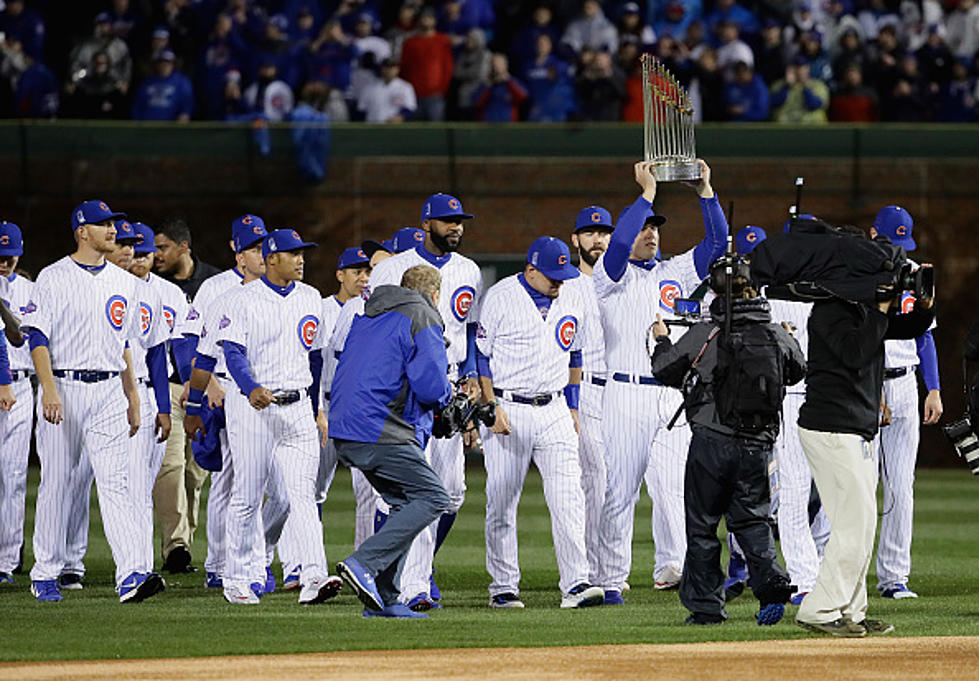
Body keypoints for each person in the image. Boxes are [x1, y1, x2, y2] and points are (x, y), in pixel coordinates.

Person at [593, 160, 727, 604]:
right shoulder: (609, 277)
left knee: (676, 485)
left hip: (671, 397)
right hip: (625, 393)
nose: (650, 233)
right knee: (620, 490)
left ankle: (681, 567)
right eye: (643, 227)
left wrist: (706, 191)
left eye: (656, 228)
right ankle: (610, 579)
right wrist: (646, 194)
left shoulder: (675, 272)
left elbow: (716, 244)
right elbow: (616, 248)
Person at [795, 226, 936, 637]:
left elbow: (905, 330)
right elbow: (858, 352)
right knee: (855, 525)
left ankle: (851, 611)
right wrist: (881, 308)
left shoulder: (857, 307)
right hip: (831, 427)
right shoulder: (830, 309)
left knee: (859, 524)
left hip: (851, 428)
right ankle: (819, 610)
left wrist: (924, 303)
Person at [650, 252, 804, 626]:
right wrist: (786, 337)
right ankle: (771, 586)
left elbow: (665, 370)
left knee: (703, 525)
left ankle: (706, 609)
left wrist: (661, 340)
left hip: (711, 441)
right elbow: (798, 371)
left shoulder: (708, 331)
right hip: (759, 443)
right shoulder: (775, 331)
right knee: (753, 521)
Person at [22, 200, 163, 603]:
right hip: (63, 387)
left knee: (115, 482)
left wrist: (133, 395)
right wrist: (47, 387)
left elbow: (124, 345)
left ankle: (131, 574)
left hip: (107, 392)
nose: (112, 230)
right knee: (58, 483)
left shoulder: (126, 283)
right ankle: (45, 571)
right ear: (82, 231)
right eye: (103, 225)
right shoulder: (52, 277)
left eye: (112, 224)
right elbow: (37, 337)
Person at [211, 228, 341, 606]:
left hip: (298, 406)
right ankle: (236, 577)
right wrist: (250, 386)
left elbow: (315, 358)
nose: (301, 259)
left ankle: (314, 575)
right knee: (248, 494)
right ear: (271, 259)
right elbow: (233, 352)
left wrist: (316, 407)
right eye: (292, 253)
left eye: (302, 253)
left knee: (302, 496)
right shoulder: (240, 299)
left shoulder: (310, 296)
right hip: (255, 408)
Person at [476, 236, 604, 610]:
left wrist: (574, 406)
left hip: (555, 408)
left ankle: (576, 583)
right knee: (501, 500)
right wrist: (490, 404)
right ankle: (503, 587)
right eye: (552, 275)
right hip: (509, 407)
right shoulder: (500, 296)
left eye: (563, 274)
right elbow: (482, 356)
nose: (558, 282)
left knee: (569, 499)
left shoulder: (572, 295)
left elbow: (575, 353)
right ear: (530, 270)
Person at [366, 197, 482, 611]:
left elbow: (468, 332)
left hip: (448, 384)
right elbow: (374, 327)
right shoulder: (391, 269)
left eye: (461, 222)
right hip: (405, 386)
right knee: (408, 489)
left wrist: (470, 377)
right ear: (426, 222)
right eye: (449, 221)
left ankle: (416, 568)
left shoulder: (468, 271)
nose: (457, 228)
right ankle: (400, 582)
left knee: (450, 492)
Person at [332, 264, 453, 619]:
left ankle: (386, 599)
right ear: (434, 295)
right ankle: (363, 563)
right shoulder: (422, 314)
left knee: (403, 502)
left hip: (347, 426)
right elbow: (431, 386)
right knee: (434, 497)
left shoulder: (369, 315)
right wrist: (448, 397)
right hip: (381, 428)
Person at [61, 219, 171, 590]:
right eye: (122, 243)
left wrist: (159, 405)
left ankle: (134, 568)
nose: (127, 251)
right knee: (74, 480)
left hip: (134, 393)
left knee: (130, 486)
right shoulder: (87, 284)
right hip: (96, 389)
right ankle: (66, 563)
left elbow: (155, 352)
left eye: (135, 247)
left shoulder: (147, 292)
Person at [869, 205, 943, 600]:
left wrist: (933, 388)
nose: (897, 250)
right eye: (890, 241)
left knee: (901, 485)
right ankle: (826, 572)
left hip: (906, 386)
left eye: (901, 242)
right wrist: (872, 388)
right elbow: (866, 339)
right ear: (872, 235)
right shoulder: (860, 274)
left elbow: (925, 336)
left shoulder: (916, 274)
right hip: (865, 388)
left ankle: (894, 577)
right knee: (853, 486)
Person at [152, 216, 220, 574]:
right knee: (172, 468)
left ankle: (185, 542)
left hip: (205, 388)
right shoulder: (157, 287)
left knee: (196, 475)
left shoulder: (214, 282)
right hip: (172, 386)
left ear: (183, 246)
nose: (156, 254)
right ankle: (175, 546)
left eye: (162, 247)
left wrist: (207, 386)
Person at [560, 206, 614, 585]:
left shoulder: (621, 281)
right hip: (586, 390)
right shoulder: (566, 284)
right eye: (590, 232)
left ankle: (609, 566)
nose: (598, 238)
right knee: (593, 481)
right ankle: (591, 569)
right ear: (575, 239)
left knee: (615, 485)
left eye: (604, 232)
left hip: (626, 394)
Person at [0, 221, 33, 586]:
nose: (4, 263)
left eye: (9, 257)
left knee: (13, 476)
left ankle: (6, 562)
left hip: (21, 389)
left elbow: (23, 340)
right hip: (5, 384)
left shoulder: (30, 289)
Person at [399, 8, 453, 121]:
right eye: (423, 18)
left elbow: (448, 67)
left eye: (429, 18)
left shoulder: (443, 40)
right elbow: (404, 67)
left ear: (434, 21)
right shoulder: (410, 43)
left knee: (435, 132)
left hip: (435, 95)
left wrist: (442, 90)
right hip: (413, 95)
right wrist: (407, 91)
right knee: (415, 132)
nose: (426, 21)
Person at [131, 49, 194, 122]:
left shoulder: (182, 83)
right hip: (147, 128)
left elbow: (187, 107)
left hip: (172, 128)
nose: (164, 65)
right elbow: (137, 107)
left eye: (167, 62)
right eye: (161, 62)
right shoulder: (146, 83)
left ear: (173, 64)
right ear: (156, 65)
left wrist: (184, 115)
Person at [357, 58, 416, 123]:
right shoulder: (369, 88)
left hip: (394, 128)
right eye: (386, 67)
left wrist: (400, 116)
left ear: (397, 69)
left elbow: (410, 108)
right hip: (372, 126)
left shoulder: (405, 87)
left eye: (392, 67)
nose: (389, 70)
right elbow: (361, 110)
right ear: (381, 69)